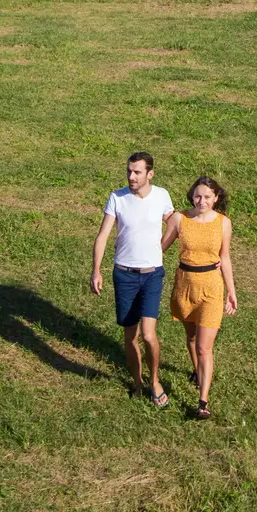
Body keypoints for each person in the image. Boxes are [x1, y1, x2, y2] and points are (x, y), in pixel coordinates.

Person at [90, 152, 177, 407]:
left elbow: (176, 224)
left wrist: (162, 247)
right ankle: (138, 383)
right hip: (124, 274)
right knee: (130, 336)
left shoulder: (161, 195)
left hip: (152, 275)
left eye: (137, 172)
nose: (131, 176)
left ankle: (155, 381)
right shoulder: (117, 198)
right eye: (129, 171)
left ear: (150, 174)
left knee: (149, 335)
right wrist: (96, 270)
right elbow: (103, 235)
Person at [161, 176, 237, 420]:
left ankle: (202, 401)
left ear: (216, 198)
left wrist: (231, 292)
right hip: (185, 286)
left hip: (212, 290)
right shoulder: (180, 218)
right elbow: (160, 247)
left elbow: (224, 257)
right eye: (197, 195)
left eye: (207, 196)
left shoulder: (223, 223)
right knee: (192, 339)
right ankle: (197, 372)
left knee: (205, 347)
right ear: (191, 196)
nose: (201, 200)